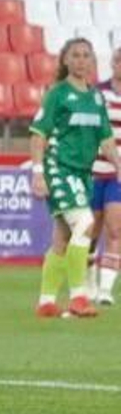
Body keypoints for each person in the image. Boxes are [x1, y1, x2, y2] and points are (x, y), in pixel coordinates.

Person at [29, 38, 120, 319]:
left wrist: (118, 164)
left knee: (62, 236)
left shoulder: (96, 98)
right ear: (65, 60)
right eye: (76, 55)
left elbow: (106, 139)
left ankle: (46, 301)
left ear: (93, 60)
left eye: (86, 55)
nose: (81, 60)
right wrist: (38, 173)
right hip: (59, 168)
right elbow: (38, 135)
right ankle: (79, 296)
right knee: (85, 223)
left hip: (82, 174)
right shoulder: (57, 94)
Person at [93, 47, 121, 306]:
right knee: (90, 231)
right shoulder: (98, 93)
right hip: (94, 170)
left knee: (115, 229)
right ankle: (89, 285)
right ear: (112, 63)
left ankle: (105, 291)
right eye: (118, 61)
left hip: (118, 175)